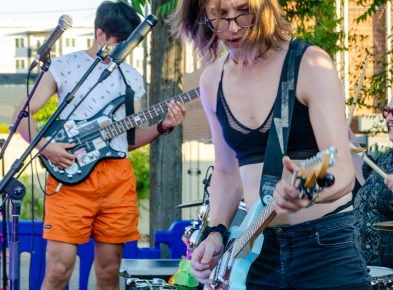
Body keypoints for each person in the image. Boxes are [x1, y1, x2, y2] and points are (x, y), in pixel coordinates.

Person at [169, 0, 371, 289]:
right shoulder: (213, 79)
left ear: (265, 7)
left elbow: (340, 169)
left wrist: (306, 191)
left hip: (324, 247)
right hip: (258, 254)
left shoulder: (310, 64)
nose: (232, 26)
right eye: (219, 15)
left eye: (243, 12)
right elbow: (227, 172)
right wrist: (216, 232)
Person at [12, 1, 186, 289]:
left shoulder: (131, 77)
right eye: (118, 41)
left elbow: (127, 141)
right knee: (58, 269)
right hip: (70, 179)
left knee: (108, 273)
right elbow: (21, 115)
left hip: (117, 180)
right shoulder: (64, 66)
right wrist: (45, 146)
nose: (123, 49)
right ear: (100, 34)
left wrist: (161, 127)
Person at [353, 90, 393, 271]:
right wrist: (351, 146)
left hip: (392, 272)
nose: (389, 119)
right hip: (364, 265)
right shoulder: (388, 157)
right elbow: (364, 182)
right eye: (387, 111)